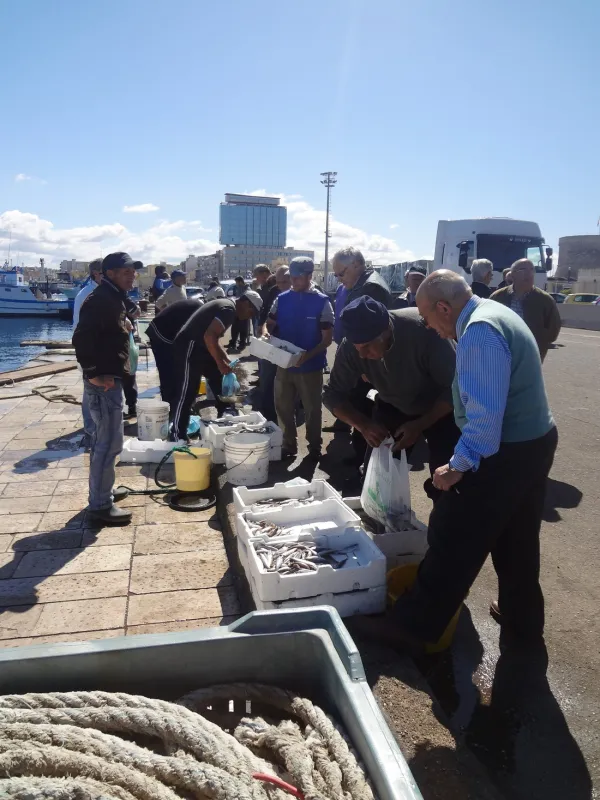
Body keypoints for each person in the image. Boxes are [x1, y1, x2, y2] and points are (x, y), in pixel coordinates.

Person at [358, 271, 558, 655]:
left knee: (453, 535)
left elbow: (485, 420)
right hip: (534, 441)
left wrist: (457, 466)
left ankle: (414, 629)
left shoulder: (479, 333)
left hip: (506, 450)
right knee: (516, 536)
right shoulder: (495, 311)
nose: (431, 328)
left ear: (445, 307)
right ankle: (522, 617)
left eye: (429, 318)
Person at [323, 296, 459, 500]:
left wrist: (420, 424)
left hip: (441, 409)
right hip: (394, 404)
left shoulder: (424, 331)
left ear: (386, 330)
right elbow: (332, 394)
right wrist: (363, 425)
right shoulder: (352, 347)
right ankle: (380, 522)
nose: (361, 355)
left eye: (367, 346)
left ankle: (445, 520)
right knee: (376, 478)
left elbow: (456, 389)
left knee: (446, 479)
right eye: (357, 347)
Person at [73, 252, 143, 525]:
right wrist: (92, 374)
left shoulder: (113, 298)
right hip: (103, 383)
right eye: (126, 271)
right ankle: (100, 505)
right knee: (107, 444)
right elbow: (80, 338)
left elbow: (106, 331)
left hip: (111, 378)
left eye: (133, 271)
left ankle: (104, 492)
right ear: (109, 273)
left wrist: (123, 322)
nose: (132, 275)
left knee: (107, 442)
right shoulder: (101, 299)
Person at [149, 292, 262, 441]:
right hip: (190, 347)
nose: (250, 316)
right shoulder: (228, 310)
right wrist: (221, 364)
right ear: (246, 303)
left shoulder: (227, 306)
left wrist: (224, 358)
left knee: (217, 377)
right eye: (251, 311)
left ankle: (226, 415)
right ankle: (177, 434)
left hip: (199, 347)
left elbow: (213, 339)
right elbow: (209, 337)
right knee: (187, 391)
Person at [268, 257, 334, 460]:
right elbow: (269, 323)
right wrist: (264, 333)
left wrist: (307, 356)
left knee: (312, 409)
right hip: (284, 363)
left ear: (309, 276)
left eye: (298, 278)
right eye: (291, 278)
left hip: (310, 367)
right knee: (283, 406)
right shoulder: (282, 298)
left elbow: (327, 340)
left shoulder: (322, 302)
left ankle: (314, 447)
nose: (294, 282)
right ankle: (289, 445)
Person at [324, 248, 391, 445]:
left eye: (341, 273)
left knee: (363, 405)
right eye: (335, 274)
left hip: (366, 359)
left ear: (356, 265)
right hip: (360, 356)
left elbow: (371, 332)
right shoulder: (363, 283)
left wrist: (363, 363)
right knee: (355, 401)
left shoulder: (371, 288)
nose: (338, 279)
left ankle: (360, 459)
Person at [491, 259, 561, 361]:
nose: (529, 273)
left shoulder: (545, 300)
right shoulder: (498, 296)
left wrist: (539, 343)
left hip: (531, 355)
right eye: (523, 270)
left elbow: (553, 329)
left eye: (532, 269)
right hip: (502, 352)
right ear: (513, 275)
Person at [255, 267, 292, 422]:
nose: (281, 285)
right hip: (272, 341)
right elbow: (266, 314)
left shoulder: (299, 294)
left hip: (290, 344)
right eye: (278, 281)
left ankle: (289, 412)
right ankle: (268, 413)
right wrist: (262, 329)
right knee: (267, 377)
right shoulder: (274, 292)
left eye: (284, 282)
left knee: (289, 382)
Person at [73, 259, 103, 441]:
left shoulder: (98, 292)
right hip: (91, 349)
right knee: (90, 390)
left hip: (99, 349)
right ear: (96, 274)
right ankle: (91, 428)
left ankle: (97, 425)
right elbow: (80, 328)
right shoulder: (88, 294)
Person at [228, 276, 250, 351]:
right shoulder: (236, 288)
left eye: (237, 282)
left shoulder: (247, 288)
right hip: (237, 309)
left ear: (240, 281)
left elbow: (247, 297)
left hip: (244, 311)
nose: (236, 284)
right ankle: (233, 343)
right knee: (234, 327)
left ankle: (242, 344)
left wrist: (239, 299)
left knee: (243, 329)